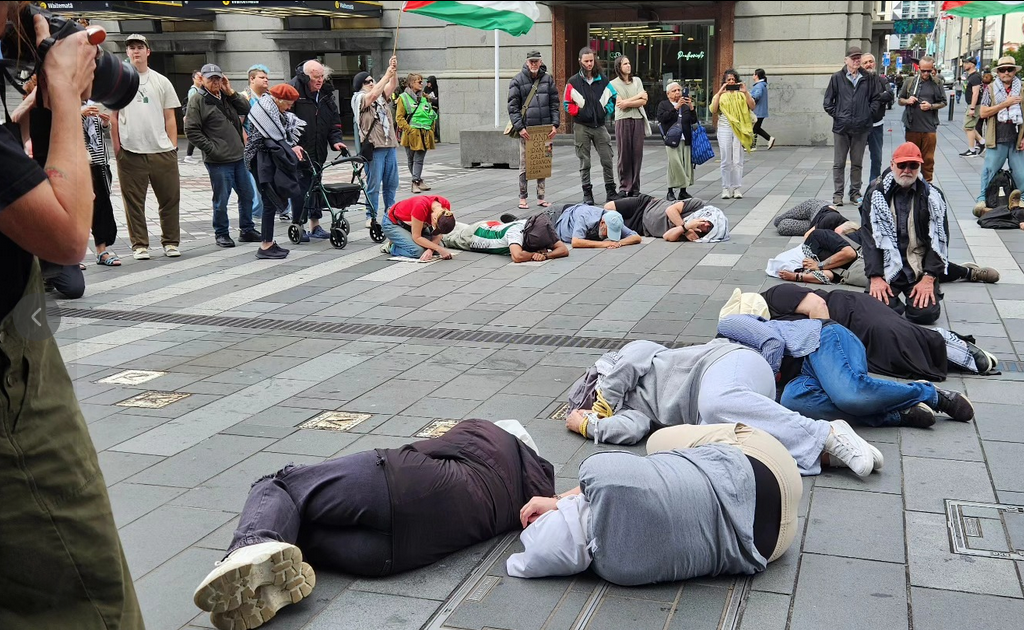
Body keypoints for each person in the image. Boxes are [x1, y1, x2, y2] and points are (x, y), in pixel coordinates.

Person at [0, 7, 143, 627]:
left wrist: (27, 108)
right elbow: (65, 236)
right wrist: (59, 88)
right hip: (11, 385)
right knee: (83, 589)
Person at [193, 419, 553, 630]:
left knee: (281, 484)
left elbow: (423, 447)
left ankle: (248, 548)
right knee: (300, 531)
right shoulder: (526, 503)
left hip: (395, 485)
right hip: (388, 557)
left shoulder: (488, 433)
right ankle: (268, 576)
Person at [508, 424, 801, 585]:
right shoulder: (599, 474)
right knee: (657, 443)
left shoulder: (616, 572)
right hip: (770, 465)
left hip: (770, 546)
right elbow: (595, 486)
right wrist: (558, 500)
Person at [563, 338, 883, 478]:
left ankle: (825, 431)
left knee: (714, 405)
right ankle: (827, 455)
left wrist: (605, 396)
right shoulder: (634, 410)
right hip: (731, 403)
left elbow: (633, 359)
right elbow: (632, 431)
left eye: (590, 393)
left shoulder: (632, 360)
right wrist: (588, 426)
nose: (592, 402)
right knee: (727, 454)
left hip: (728, 365)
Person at [718, 314, 975, 429]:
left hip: (820, 341)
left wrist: (768, 382)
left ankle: (931, 394)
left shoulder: (728, 325)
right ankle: (898, 414)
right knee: (793, 403)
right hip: (802, 378)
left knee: (849, 395)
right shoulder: (725, 370)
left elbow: (773, 343)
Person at [757, 283, 999, 380]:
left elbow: (818, 307)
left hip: (851, 312)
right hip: (847, 334)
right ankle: (938, 353)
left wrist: (829, 353)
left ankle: (951, 345)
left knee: (893, 337)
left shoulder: (775, 296)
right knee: (892, 362)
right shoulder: (762, 336)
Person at [859, 142, 949, 325]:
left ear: (920, 167)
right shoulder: (876, 194)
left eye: (913, 165)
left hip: (917, 267)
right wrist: (875, 277)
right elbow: (869, 238)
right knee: (877, 311)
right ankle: (894, 303)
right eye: (902, 165)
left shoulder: (933, 196)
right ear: (892, 165)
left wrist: (929, 278)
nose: (907, 170)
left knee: (925, 315)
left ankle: (918, 297)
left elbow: (940, 239)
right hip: (887, 267)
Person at [111, 33, 182, 260]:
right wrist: (117, 148)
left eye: (139, 47)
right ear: (127, 52)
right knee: (133, 203)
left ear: (148, 51)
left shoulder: (161, 81)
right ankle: (139, 244)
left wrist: (172, 147)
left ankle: (170, 242)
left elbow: (170, 116)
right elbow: (113, 116)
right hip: (130, 151)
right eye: (131, 48)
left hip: (162, 151)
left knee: (170, 199)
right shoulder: (118, 81)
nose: (135, 51)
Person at [773, 223, 998, 287]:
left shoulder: (820, 236)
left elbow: (848, 252)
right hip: (863, 274)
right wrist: (797, 277)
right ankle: (959, 271)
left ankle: (969, 272)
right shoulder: (802, 261)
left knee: (919, 268)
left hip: (875, 259)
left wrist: (819, 266)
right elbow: (830, 278)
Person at [185, 63, 259, 248]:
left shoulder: (226, 96)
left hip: (238, 156)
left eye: (218, 78)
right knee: (221, 199)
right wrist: (211, 149)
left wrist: (230, 91)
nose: (215, 82)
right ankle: (221, 233)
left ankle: (247, 229)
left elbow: (246, 109)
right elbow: (191, 130)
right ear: (202, 79)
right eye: (211, 79)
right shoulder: (197, 100)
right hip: (218, 160)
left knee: (247, 194)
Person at [245, 83, 307, 260]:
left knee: (270, 201)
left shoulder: (275, 111)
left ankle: (268, 242)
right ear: (279, 100)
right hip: (260, 161)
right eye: (288, 103)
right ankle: (265, 245)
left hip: (267, 161)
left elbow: (280, 138)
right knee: (269, 201)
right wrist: (289, 148)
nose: (290, 107)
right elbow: (273, 138)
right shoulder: (264, 111)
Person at [290, 59, 347, 239]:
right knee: (301, 189)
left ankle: (315, 225)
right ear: (306, 77)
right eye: (316, 77)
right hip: (299, 150)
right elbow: (284, 122)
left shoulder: (325, 94)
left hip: (318, 150)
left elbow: (333, 120)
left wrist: (336, 140)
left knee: (316, 187)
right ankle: (298, 224)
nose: (320, 80)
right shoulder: (294, 91)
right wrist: (291, 145)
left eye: (322, 76)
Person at [823, 46, 883, 207]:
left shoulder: (868, 78)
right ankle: (838, 195)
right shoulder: (837, 78)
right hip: (842, 128)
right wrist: (839, 116)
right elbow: (828, 102)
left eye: (858, 58)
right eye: (854, 58)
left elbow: (876, 98)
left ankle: (855, 193)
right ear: (846, 60)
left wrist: (867, 114)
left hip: (861, 127)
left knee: (857, 163)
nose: (857, 61)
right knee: (839, 163)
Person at [564, 46, 619, 205]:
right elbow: (567, 104)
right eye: (586, 61)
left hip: (599, 125)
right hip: (581, 126)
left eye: (591, 60)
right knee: (584, 161)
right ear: (580, 61)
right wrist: (578, 113)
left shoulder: (603, 79)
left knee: (607, 158)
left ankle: (611, 191)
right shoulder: (573, 81)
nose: (589, 64)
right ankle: (587, 193)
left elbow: (613, 97)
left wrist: (605, 111)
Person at [508, 50, 559, 211]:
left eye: (536, 61)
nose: (534, 64)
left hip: (545, 130)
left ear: (541, 62)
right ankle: (523, 197)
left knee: (542, 163)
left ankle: (541, 197)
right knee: (524, 164)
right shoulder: (517, 80)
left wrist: (555, 125)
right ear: (527, 62)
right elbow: (513, 106)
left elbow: (554, 104)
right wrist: (520, 127)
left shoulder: (548, 79)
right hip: (527, 130)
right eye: (531, 61)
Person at [352, 58, 399, 229]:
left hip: (389, 145)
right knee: (373, 185)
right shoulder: (358, 99)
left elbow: (391, 86)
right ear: (360, 85)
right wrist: (386, 74)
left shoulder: (380, 98)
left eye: (372, 80)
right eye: (367, 81)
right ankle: (370, 215)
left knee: (391, 183)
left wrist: (393, 70)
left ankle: (391, 214)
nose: (372, 83)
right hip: (374, 148)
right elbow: (372, 95)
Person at [974, 55, 1024, 214]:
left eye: (1010, 69)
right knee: (989, 170)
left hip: (1016, 138)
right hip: (997, 136)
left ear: (1015, 71)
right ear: (998, 72)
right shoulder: (990, 89)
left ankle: (1021, 200)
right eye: (1003, 70)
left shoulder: (1022, 88)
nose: (1006, 72)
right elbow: (983, 112)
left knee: (1021, 173)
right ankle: (982, 200)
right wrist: (1005, 104)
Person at [82, 101, 120, 267]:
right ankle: (73, 257)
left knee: (102, 206)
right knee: (78, 210)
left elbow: (101, 132)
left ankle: (102, 251)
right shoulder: (67, 102)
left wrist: (105, 123)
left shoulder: (93, 103)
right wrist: (80, 114)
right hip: (79, 163)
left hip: (99, 162)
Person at [441, 215, 569, 263]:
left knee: (458, 227)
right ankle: (430, 228)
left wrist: (546, 256)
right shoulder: (516, 232)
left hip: (492, 226)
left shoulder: (541, 227)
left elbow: (563, 250)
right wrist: (535, 255)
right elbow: (517, 256)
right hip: (477, 235)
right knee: (446, 237)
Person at [606, 193, 728, 242]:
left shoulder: (694, 235)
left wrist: (685, 228)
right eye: (709, 222)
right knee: (608, 208)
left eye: (708, 229)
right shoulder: (698, 205)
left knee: (608, 223)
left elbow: (667, 236)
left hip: (642, 227)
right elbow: (671, 210)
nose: (706, 225)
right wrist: (683, 226)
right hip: (644, 205)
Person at [709, 69, 755, 199]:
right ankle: (725, 188)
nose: (731, 82)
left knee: (737, 160)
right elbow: (713, 109)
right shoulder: (720, 95)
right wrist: (719, 92)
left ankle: (737, 188)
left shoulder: (741, 94)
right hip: (724, 128)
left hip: (739, 129)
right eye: (728, 80)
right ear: (724, 81)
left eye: (733, 80)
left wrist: (745, 92)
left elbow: (752, 106)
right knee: (725, 159)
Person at [898, 56, 944, 183]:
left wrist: (931, 106)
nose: (926, 74)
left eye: (929, 71)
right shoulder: (910, 82)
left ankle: (928, 184)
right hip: (912, 125)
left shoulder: (937, 83)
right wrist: (908, 100)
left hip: (929, 127)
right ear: (919, 68)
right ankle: (912, 183)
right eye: (923, 70)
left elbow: (943, 102)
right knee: (911, 158)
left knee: (928, 159)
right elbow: (900, 100)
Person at [609, 56, 648, 197]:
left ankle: (635, 187)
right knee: (624, 154)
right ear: (619, 67)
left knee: (637, 154)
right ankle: (625, 186)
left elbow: (643, 100)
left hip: (637, 119)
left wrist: (629, 102)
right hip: (622, 120)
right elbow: (620, 104)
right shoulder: (612, 84)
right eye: (625, 64)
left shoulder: (637, 81)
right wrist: (636, 97)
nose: (628, 66)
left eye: (629, 63)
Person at [380, 194, 456, 260]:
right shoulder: (420, 206)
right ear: (434, 218)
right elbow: (417, 237)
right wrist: (438, 248)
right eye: (434, 226)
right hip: (393, 223)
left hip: (412, 225)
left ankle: (403, 240)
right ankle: (392, 247)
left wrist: (431, 250)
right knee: (418, 251)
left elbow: (438, 235)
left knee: (438, 247)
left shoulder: (445, 208)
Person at [396, 73, 437, 193]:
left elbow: (430, 113)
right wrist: (409, 129)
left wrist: (430, 127)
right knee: (411, 158)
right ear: (411, 83)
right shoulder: (403, 98)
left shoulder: (424, 98)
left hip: (424, 133)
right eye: (419, 82)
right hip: (410, 134)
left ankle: (415, 182)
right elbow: (399, 117)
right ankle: (418, 180)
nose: (422, 84)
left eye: (421, 81)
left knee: (418, 158)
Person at [240, 63, 271, 222]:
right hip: (252, 147)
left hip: (268, 146)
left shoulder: (268, 97)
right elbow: (240, 124)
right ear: (252, 79)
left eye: (267, 78)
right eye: (262, 77)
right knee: (254, 183)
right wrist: (247, 144)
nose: (266, 80)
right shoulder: (244, 98)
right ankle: (255, 213)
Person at [656, 82, 695, 201]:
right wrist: (675, 108)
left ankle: (683, 191)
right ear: (668, 94)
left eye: (679, 90)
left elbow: (693, 121)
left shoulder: (685, 105)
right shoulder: (664, 104)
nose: (677, 92)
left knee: (685, 164)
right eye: (674, 90)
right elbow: (662, 118)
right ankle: (670, 190)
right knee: (674, 164)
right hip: (672, 139)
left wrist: (692, 108)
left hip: (686, 139)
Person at [861, 54, 893, 184]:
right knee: (856, 159)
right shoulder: (858, 81)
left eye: (871, 61)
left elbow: (890, 95)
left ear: (875, 63)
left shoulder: (881, 80)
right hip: (860, 126)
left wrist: (874, 97)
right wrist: (879, 96)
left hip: (877, 125)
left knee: (877, 158)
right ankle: (855, 189)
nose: (869, 64)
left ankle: (873, 185)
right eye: (865, 62)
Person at [772, 199, 857, 236]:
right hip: (816, 207)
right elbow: (807, 237)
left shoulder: (849, 233)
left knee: (783, 227)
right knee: (777, 221)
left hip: (814, 223)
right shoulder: (832, 219)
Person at [960, 58, 984, 157]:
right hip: (971, 104)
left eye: (966, 63)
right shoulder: (972, 76)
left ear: (973, 65)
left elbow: (976, 93)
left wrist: (972, 108)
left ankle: (972, 150)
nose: (964, 65)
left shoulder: (975, 77)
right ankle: (982, 142)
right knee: (967, 127)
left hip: (974, 105)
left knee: (968, 127)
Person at [750, 69, 775, 150]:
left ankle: (753, 145)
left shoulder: (759, 86)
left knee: (754, 128)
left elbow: (757, 95)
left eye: (754, 74)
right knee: (756, 128)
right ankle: (769, 139)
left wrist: (751, 99)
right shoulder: (762, 85)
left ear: (756, 75)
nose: (753, 76)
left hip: (757, 111)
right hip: (760, 111)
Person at [183, 69, 203, 164]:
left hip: (197, 117)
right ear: (193, 79)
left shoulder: (199, 90)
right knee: (195, 135)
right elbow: (192, 105)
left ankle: (189, 155)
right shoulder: (193, 90)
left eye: (201, 77)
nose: (200, 79)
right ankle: (188, 155)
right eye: (198, 77)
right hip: (195, 117)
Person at [424, 74, 440, 142]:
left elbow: (437, 101)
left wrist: (430, 98)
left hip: (434, 107)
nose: (428, 84)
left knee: (434, 122)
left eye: (429, 82)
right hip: (427, 107)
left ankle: (435, 136)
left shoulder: (436, 89)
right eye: (427, 82)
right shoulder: (426, 88)